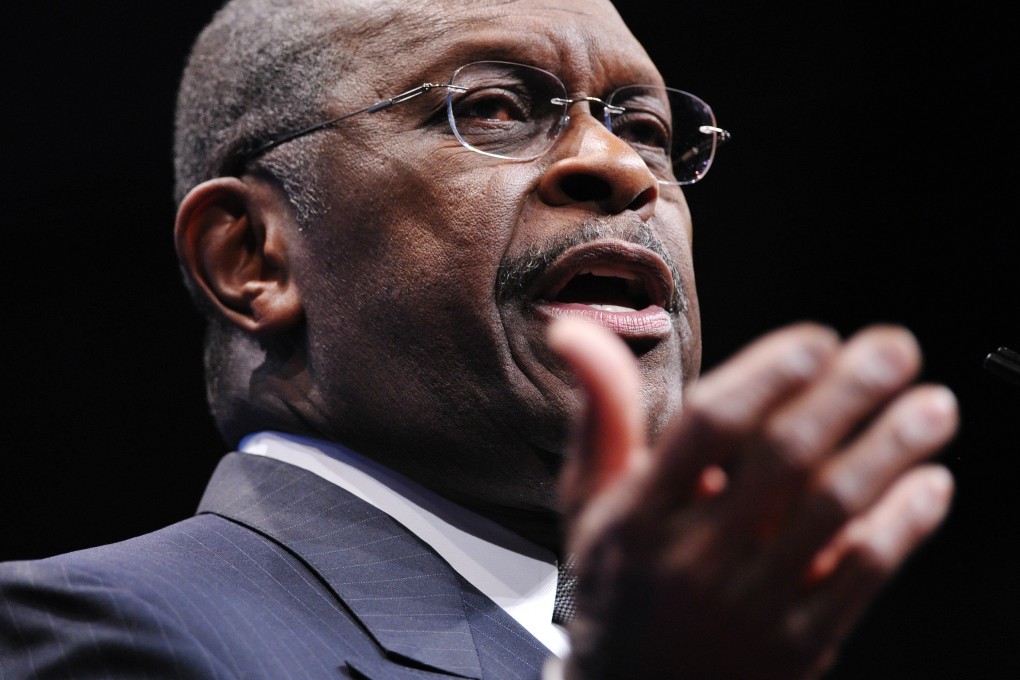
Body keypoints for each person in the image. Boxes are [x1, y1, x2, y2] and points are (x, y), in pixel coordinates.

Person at [0, 0, 959, 677]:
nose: (616, 165)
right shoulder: (99, 633)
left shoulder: (724, 642)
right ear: (254, 255)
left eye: (647, 126)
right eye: (494, 108)